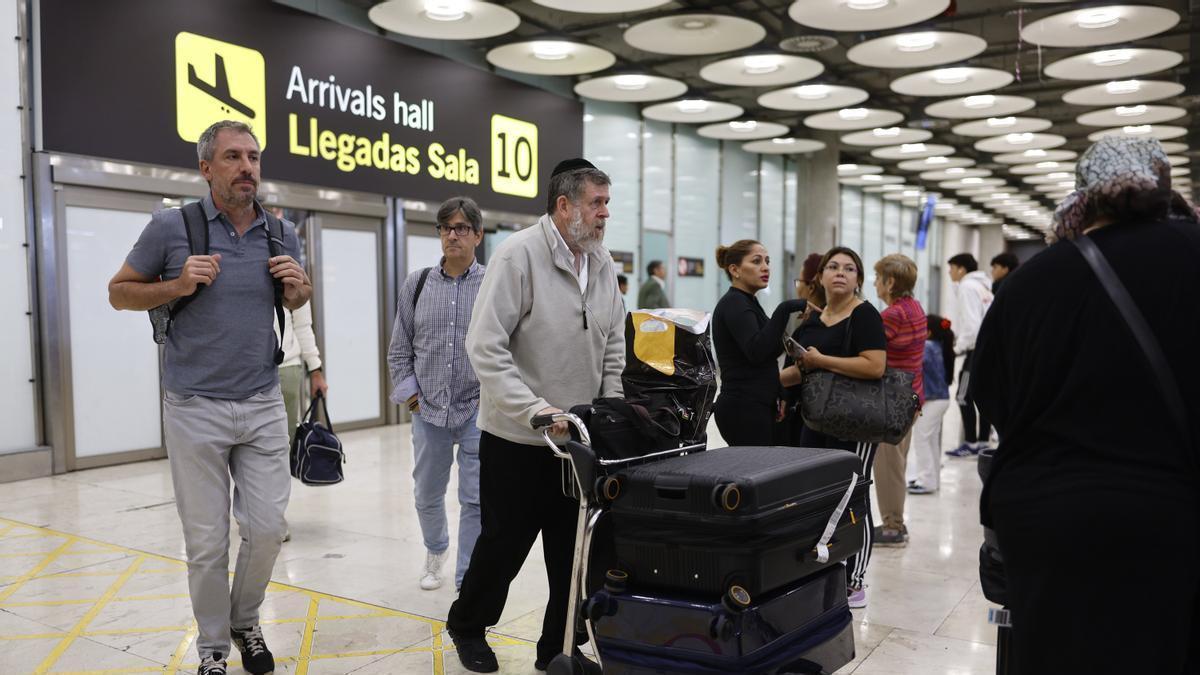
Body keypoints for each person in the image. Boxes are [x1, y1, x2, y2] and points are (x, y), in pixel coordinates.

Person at [973, 136, 1200, 673]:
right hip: (1174, 512)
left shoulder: (1032, 281)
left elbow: (992, 394)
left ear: (1082, 196)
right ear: (1166, 188)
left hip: (1052, 521)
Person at [107, 120, 311, 675]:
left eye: (253, 157)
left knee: (267, 529)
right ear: (206, 168)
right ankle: (214, 648)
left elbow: (295, 299)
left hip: (264, 401)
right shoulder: (171, 228)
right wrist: (176, 284)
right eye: (232, 157)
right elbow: (119, 293)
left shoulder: (280, 231)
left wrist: (299, 291)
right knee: (206, 543)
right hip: (194, 406)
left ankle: (246, 620)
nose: (247, 167)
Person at [446, 159, 624, 674]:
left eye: (606, 203)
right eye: (597, 203)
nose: (604, 214)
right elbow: (484, 346)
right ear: (564, 205)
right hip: (518, 439)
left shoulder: (602, 261)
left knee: (573, 555)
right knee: (504, 545)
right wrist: (536, 411)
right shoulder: (517, 256)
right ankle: (468, 625)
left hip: (580, 441)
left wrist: (607, 410)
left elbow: (613, 342)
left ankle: (558, 646)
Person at [387, 196, 486, 593]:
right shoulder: (418, 283)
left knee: (475, 500)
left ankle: (467, 576)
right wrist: (413, 399)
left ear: (478, 235)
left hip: (478, 410)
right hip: (427, 411)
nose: (452, 235)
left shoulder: (494, 284)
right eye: (446, 228)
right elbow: (399, 349)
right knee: (427, 494)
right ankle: (435, 550)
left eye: (462, 228)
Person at [780, 246, 886, 608]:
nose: (841, 273)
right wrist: (770, 382)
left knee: (853, 495)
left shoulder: (865, 315)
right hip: (816, 418)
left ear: (858, 280)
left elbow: (875, 366)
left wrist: (820, 359)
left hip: (856, 421)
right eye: (834, 267)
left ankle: (854, 580)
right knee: (818, 495)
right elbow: (802, 369)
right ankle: (823, 566)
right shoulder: (813, 321)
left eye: (850, 269)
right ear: (821, 276)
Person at [710, 240, 807, 446]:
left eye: (767, 261)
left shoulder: (748, 302)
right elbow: (757, 351)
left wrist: (778, 391)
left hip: (757, 404)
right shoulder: (735, 303)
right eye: (756, 261)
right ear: (735, 270)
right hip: (743, 408)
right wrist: (785, 309)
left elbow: (769, 351)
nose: (765, 267)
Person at [870, 254, 926, 547]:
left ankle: (892, 527)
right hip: (912, 398)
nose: (875, 284)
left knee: (889, 466)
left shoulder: (892, 315)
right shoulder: (914, 307)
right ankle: (895, 522)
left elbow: (870, 351)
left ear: (890, 282)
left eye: (878, 278)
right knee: (897, 463)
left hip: (893, 402)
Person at [277, 302, 327, 543]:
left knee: (280, 448)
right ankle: (248, 510)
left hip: (285, 368)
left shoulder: (289, 268)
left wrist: (315, 369)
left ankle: (274, 515)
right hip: (241, 369)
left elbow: (303, 324)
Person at [944, 252, 993, 458]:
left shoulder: (967, 286)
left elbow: (972, 326)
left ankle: (971, 443)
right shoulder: (984, 286)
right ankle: (982, 441)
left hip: (976, 350)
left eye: (952, 268)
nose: (949, 272)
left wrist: (956, 349)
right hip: (989, 349)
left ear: (961, 269)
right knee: (983, 396)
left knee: (963, 396)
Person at [777, 252, 825, 445]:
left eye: (799, 283)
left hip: (808, 415)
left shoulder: (814, 325)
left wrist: (764, 383)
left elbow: (803, 370)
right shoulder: (812, 322)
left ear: (811, 287)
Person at [906, 315, 955, 495]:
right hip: (941, 399)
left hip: (933, 401)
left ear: (927, 332)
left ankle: (926, 480)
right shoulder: (939, 347)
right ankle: (932, 480)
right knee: (931, 439)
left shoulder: (926, 347)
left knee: (922, 439)